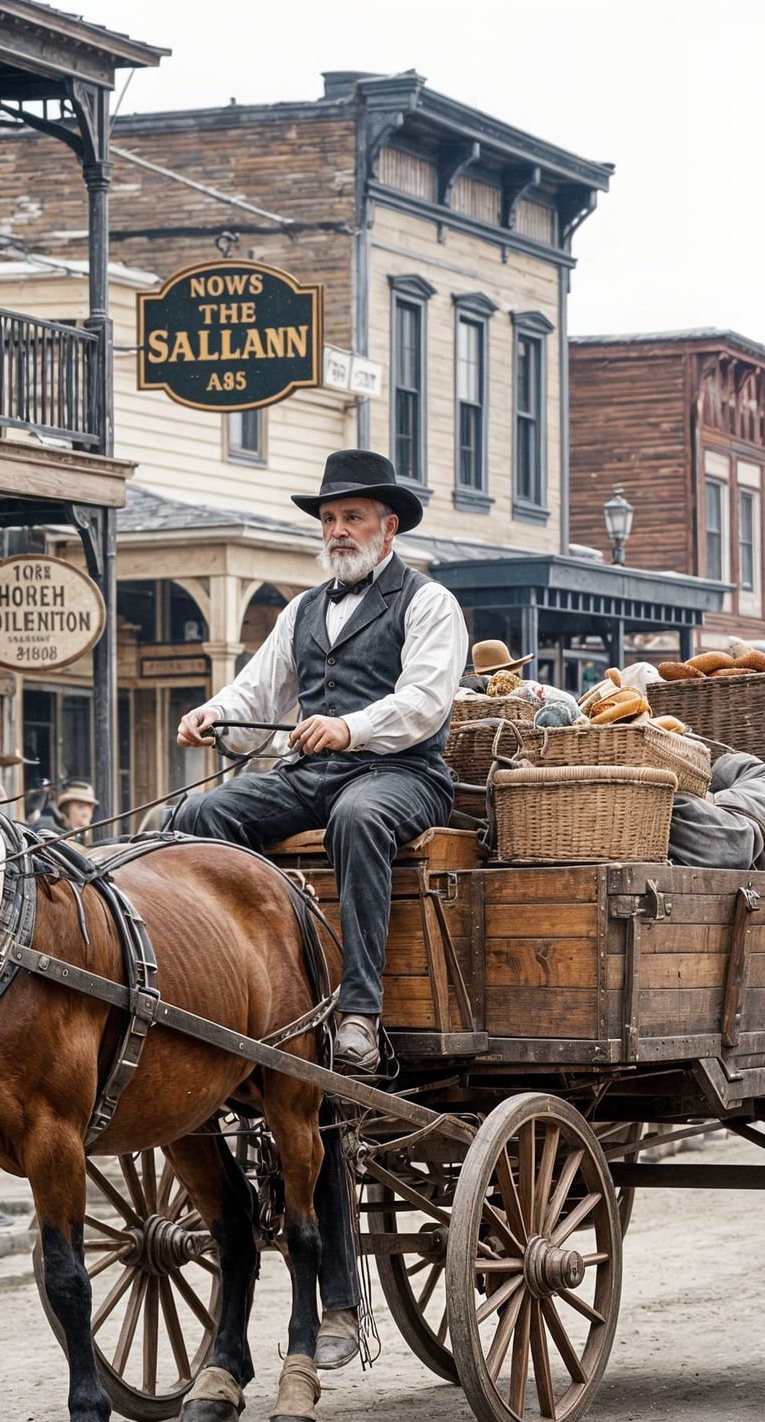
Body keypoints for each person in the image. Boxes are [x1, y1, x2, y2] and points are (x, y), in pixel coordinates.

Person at [173, 448, 468, 1369]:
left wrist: (350, 726)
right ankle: (230, 983)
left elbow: (424, 703)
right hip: (313, 769)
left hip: (403, 774)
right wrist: (212, 713)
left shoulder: (429, 603)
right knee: (201, 815)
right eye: (330, 518)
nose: (337, 531)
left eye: (353, 517)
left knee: (357, 816)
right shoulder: (303, 610)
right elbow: (258, 688)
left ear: (388, 526)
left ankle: (357, 1013)